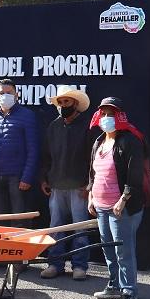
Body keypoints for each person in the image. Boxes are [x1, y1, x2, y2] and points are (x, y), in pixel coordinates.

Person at [88, 97, 145, 299]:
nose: (106, 118)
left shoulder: (130, 141)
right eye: (103, 113)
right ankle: (114, 285)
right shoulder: (99, 141)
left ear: (120, 116)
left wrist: (123, 199)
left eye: (111, 114)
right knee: (108, 249)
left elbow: (135, 175)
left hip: (121, 208)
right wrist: (90, 196)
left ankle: (129, 291)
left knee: (124, 250)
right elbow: (93, 173)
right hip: (101, 206)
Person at [40, 85, 95, 280]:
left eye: (67, 102)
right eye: (61, 102)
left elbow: (93, 157)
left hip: (79, 186)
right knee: (56, 226)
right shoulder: (53, 126)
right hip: (56, 185)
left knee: (80, 227)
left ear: (76, 104)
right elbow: (46, 156)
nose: (63, 105)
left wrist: (89, 184)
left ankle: (80, 266)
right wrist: (44, 178)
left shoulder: (88, 127)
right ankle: (55, 264)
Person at [0, 79, 39, 223]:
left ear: (16, 95)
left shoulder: (27, 115)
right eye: (1, 93)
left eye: (9, 93)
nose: (5, 96)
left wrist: (26, 177)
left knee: (19, 218)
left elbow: (33, 149)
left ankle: (21, 245)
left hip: (18, 177)